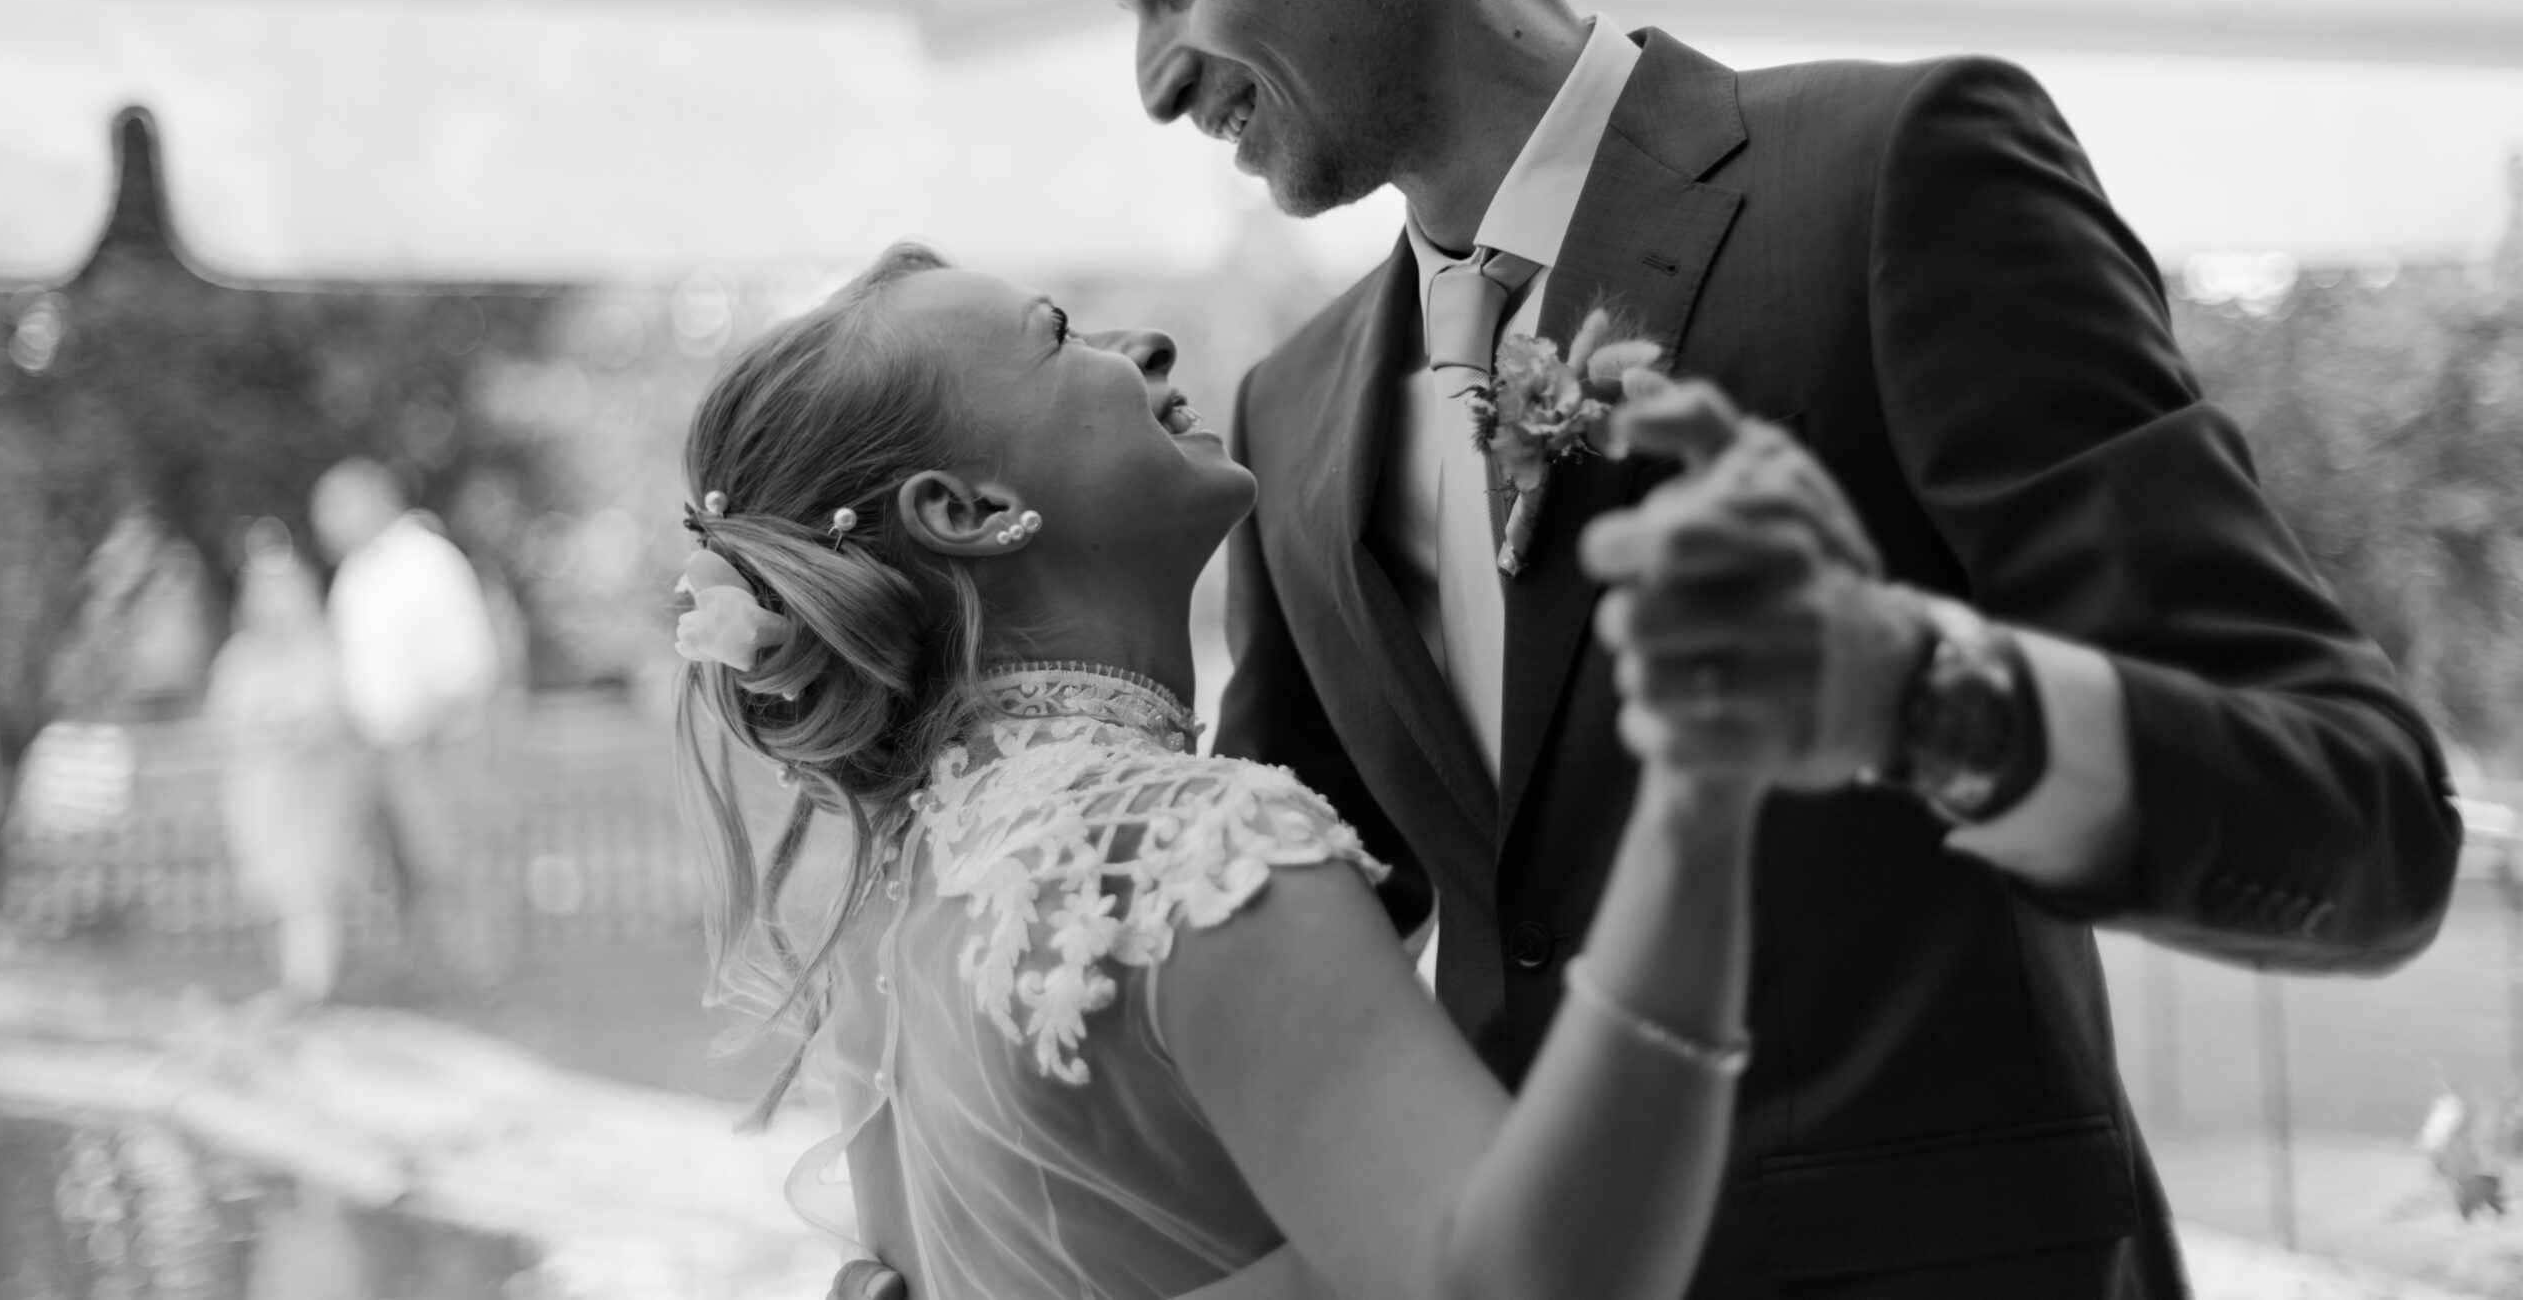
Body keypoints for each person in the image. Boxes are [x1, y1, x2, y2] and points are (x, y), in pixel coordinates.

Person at [979, 0, 2459, 1300]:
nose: (1156, 77)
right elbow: (1276, 942)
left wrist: (1922, 691)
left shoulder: (1900, 177)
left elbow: (2364, 819)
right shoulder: (1296, 413)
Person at [672, 245, 1888, 1300]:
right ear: (966, 507)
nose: (1137, 339)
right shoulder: (1183, 851)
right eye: (1058, 334)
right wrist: (1700, 801)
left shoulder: (890, 908)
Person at [311, 457, 504, 980]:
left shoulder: (427, 559)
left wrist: (434, 723)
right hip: (376, 745)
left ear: (372, 501)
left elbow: (463, 656)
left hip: (432, 743)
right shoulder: (355, 572)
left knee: (451, 853)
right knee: (398, 863)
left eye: (333, 507)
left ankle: (475, 969)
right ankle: (423, 966)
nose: (323, 522)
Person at [204, 521, 357, 1007]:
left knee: (307, 889)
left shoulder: (320, 651)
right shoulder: (239, 656)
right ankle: (288, 982)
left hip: (308, 794)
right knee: (271, 889)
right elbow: (223, 723)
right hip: (258, 793)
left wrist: (278, 730)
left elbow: (326, 719)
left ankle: (308, 985)